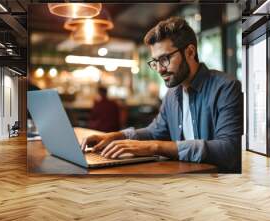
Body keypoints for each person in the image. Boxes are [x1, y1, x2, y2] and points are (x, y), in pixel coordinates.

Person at [81, 17, 243, 173]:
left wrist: (155, 147)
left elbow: (229, 151)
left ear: (190, 52)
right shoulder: (173, 94)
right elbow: (154, 132)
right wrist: (118, 136)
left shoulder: (226, 87)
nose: (159, 69)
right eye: (155, 62)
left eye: (165, 59)